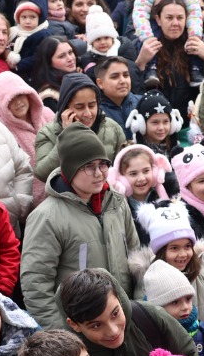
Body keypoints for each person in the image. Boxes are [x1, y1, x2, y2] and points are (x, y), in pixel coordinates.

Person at [20, 125, 140, 328]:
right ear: (70, 168)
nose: (99, 173)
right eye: (88, 166)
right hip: (80, 329)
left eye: (103, 164)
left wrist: (136, 309)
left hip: (123, 321)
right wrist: (64, 336)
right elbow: (36, 285)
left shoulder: (117, 204)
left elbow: (138, 259)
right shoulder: (46, 217)